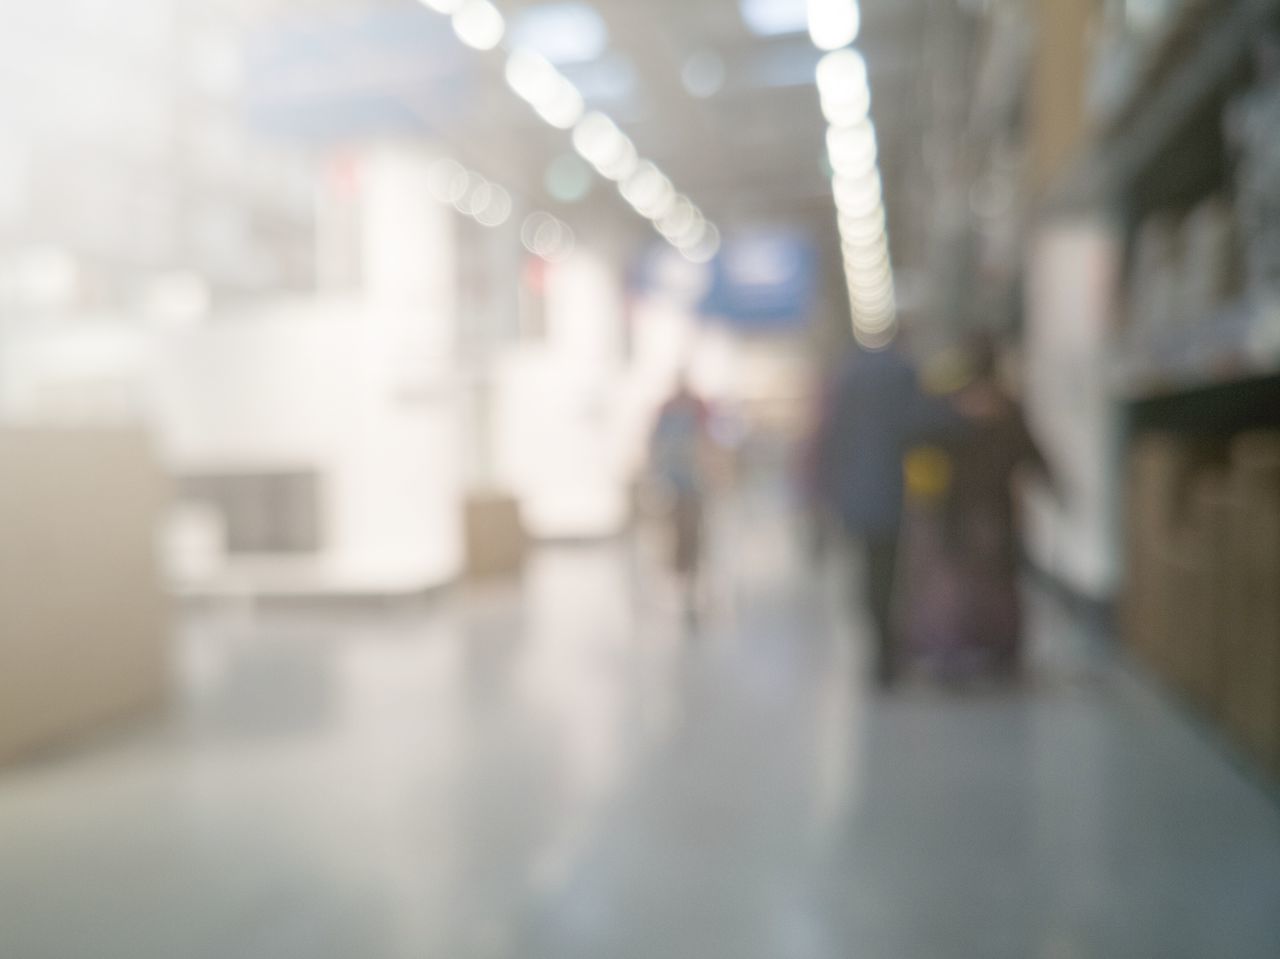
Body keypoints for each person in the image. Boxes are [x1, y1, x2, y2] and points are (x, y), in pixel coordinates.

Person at [815, 334, 953, 686]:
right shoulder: (903, 374)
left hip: (856, 493)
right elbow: (925, 421)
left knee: (869, 572)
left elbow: (831, 437)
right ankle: (888, 652)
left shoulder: (846, 377)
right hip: (895, 489)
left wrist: (828, 493)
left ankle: (879, 648)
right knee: (892, 574)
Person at [940, 332, 1053, 675]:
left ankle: (966, 647)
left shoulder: (952, 406)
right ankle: (1004, 652)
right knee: (1003, 583)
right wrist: (1058, 489)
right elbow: (1033, 452)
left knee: (966, 582)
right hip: (998, 508)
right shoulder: (1008, 406)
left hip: (959, 509)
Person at [649, 372, 711, 621]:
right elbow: (656, 445)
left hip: (693, 484)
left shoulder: (697, 410)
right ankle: (683, 580)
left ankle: (691, 584)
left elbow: (709, 442)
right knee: (679, 537)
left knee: (693, 535)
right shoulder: (667, 412)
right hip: (676, 485)